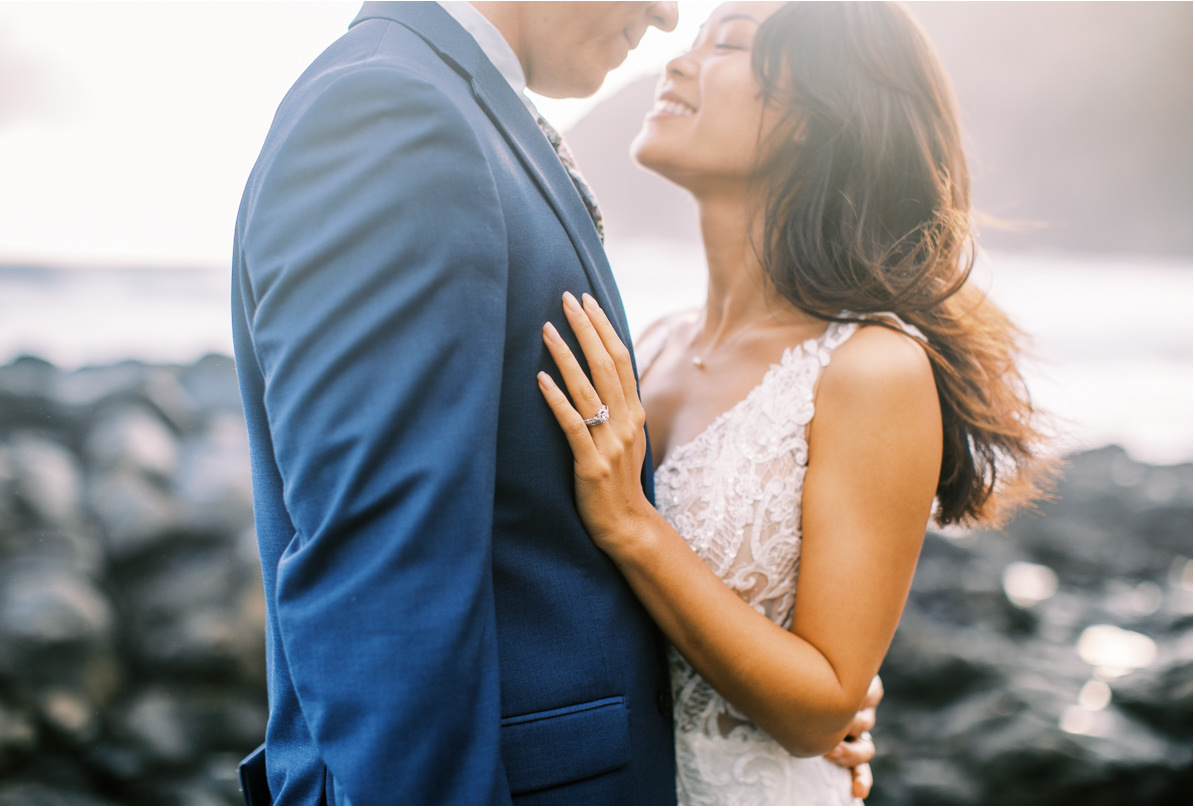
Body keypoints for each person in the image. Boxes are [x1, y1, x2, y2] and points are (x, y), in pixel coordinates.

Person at [231, 2, 878, 804]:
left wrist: (783, 709)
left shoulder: (455, 110)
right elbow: (383, 598)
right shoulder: (395, 115)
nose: (667, 16)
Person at [537, 2, 1056, 805]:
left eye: (729, 45)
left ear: (822, 117)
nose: (674, 60)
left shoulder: (870, 371)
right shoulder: (652, 345)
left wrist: (632, 527)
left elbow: (820, 709)